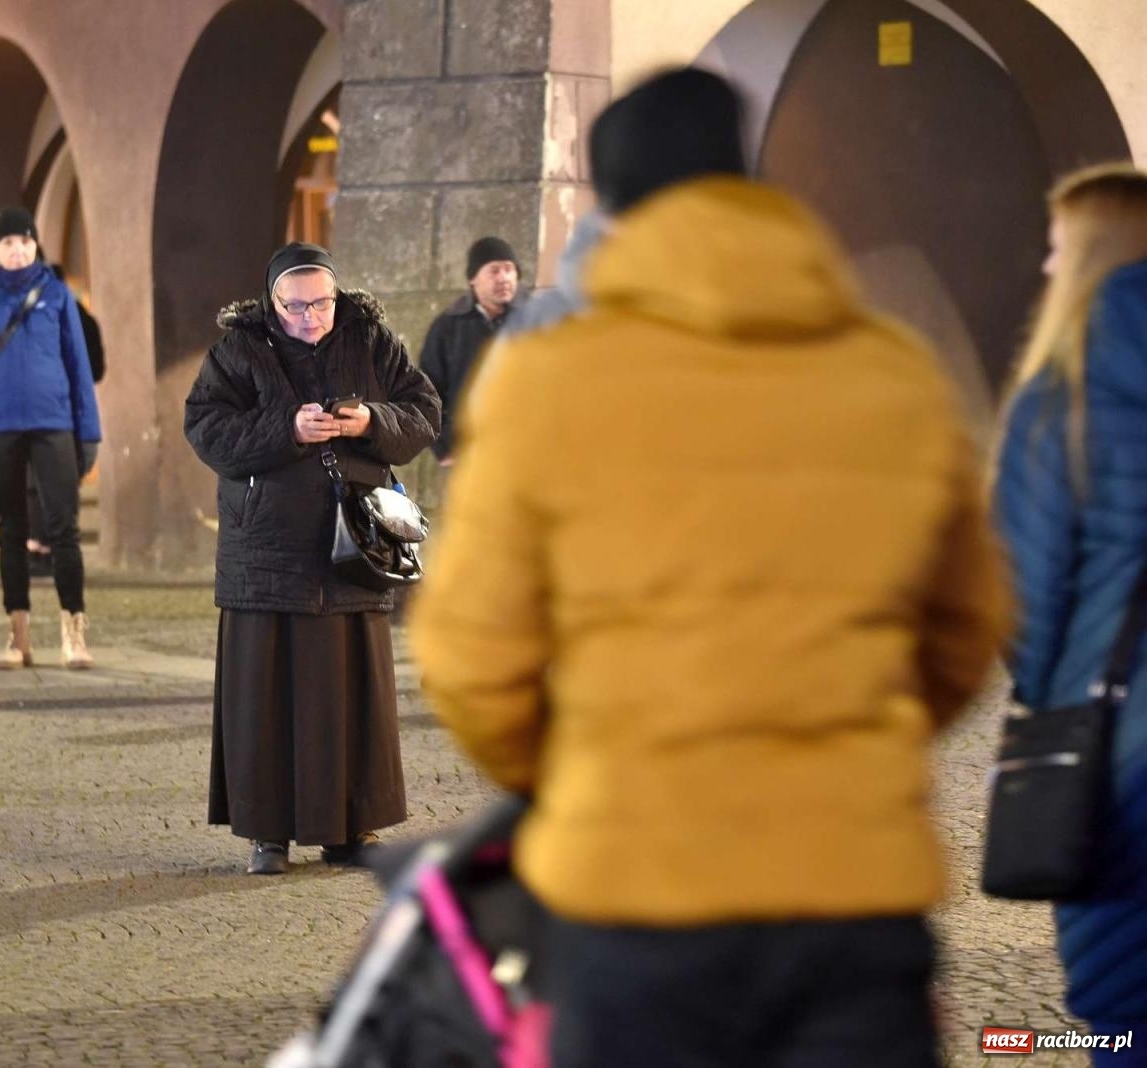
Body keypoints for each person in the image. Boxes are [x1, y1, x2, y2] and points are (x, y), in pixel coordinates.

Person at [410, 68, 1011, 1067]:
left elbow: (473, 661)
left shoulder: (547, 383)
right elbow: (964, 632)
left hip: (632, 892)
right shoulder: (889, 373)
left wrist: (581, 775)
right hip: (852, 892)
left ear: (612, 207)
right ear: (747, 180)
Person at [184, 242, 440, 875]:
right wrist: (286, 430)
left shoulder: (371, 338)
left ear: (336, 293)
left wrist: (370, 421)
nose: (309, 317)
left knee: (348, 695)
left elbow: (424, 411)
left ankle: (349, 828)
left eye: (320, 303)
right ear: (272, 301)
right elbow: (206, 430)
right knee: (263, 698)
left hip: (352, 548)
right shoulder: (236, 349)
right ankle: (267, 834)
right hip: (264, 549)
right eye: (293, 306)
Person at [993, 163, 1147, 1066]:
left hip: (1121, 763)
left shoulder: (1063, 400)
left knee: (1127, 1017)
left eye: (1057, 249)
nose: (1049, 269)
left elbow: (1026, 607)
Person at [0, 207, 101, 670]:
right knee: (11, 530)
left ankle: (73, 631)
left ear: (36, 246)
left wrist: (88, 431)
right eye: (9, 243)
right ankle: (19, 636)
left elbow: (79, 367)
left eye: (26, 242)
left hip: (53, 422)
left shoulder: (57, 295)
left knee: (64, 529)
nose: (18, 250)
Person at [25, 262, 106, 577]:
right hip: (72, 409)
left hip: (40, 408)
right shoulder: (84, 319)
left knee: (35, 479)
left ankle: (38, 548)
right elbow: (97, 369)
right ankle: (61, 550)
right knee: (65, 479)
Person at [418, 235, 522, 468]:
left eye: (509, 269)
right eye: (494, 271)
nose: (503, 278)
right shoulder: (448, 327)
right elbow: (427, 392)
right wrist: (443, 448)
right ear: (473, 279)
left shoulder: (534, 322)